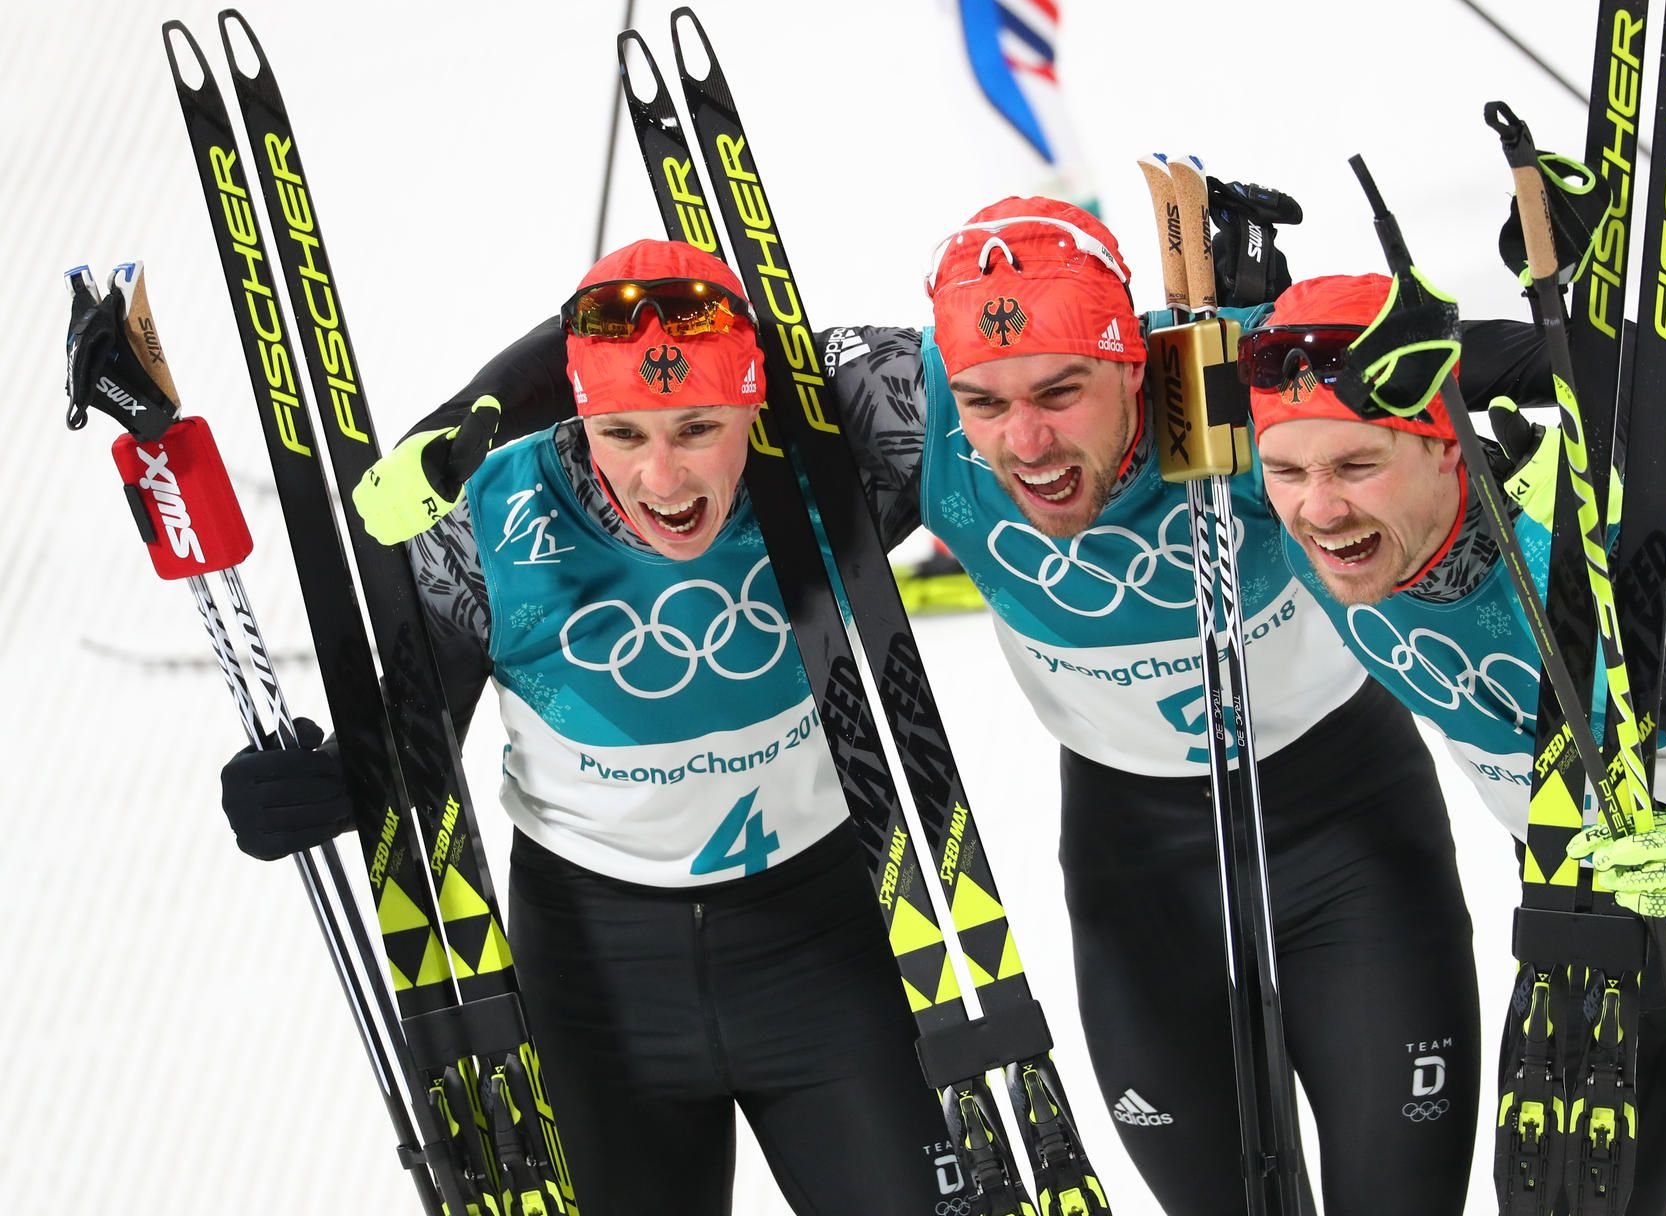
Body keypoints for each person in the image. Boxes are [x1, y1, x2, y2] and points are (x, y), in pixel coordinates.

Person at [365, 200, 1496, 1215]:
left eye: (1062, 390)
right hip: (1139, 868)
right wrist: (475, 409)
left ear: (1132, 362)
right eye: (990, 399)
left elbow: (1434, 404)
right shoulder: (910, 417)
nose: (1026, 437)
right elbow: (696, 349)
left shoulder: (1220, 384)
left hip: (1343, 822)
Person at [219, 239, 959, 1214]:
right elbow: (415, 744)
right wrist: (325, 785)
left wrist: (1227, 319)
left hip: (821, 955)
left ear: (755, 399)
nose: (664, 478)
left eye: (700, 427)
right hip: (598, 989)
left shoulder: (850, 432)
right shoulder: (493, 512)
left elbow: (1044, 369)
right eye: (625, 433)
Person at [1250, 272, 1666, 1214]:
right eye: (1291, 472)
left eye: (1356, 466)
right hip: (1573, 917)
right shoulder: (1296, 513)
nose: (1320, 511)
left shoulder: (1617, 571)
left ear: (1445, 452)